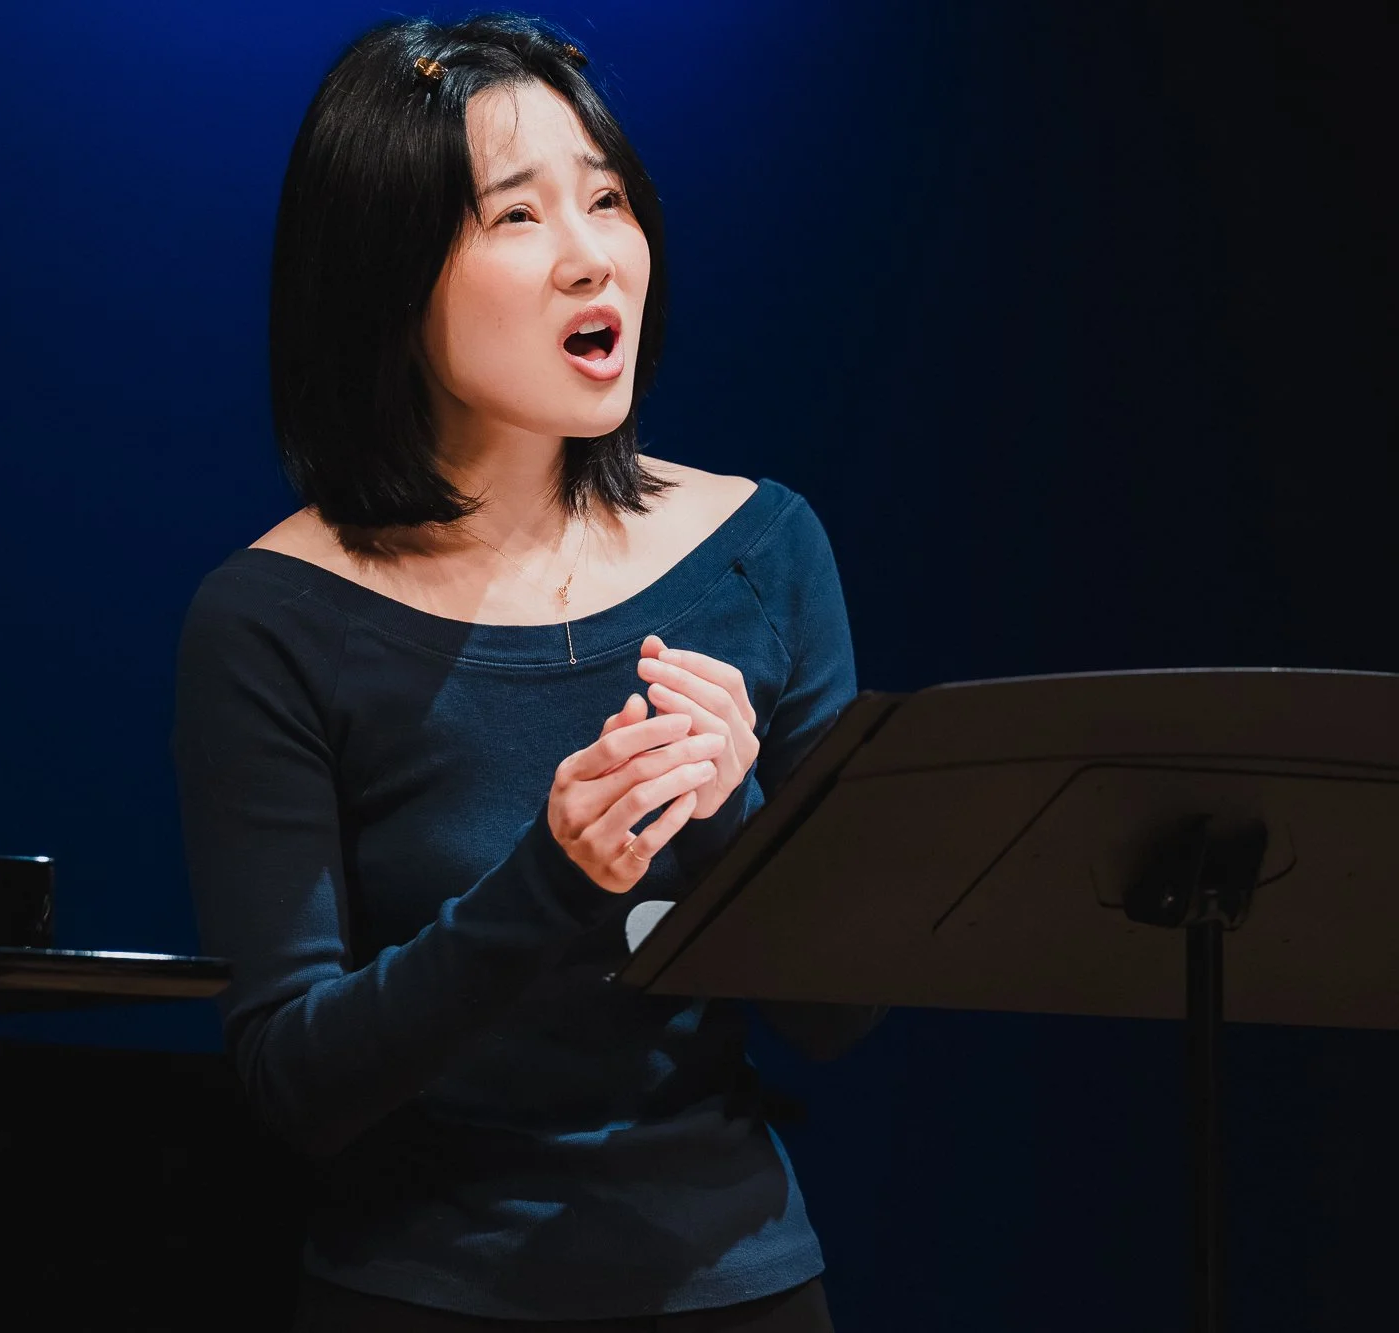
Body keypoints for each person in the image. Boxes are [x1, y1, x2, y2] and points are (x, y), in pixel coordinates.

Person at [171, 14, 879, 1330]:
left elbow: (840, 1018)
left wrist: (731, 824)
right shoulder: (270, 617)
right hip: (421, 1291)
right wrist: (555, 877)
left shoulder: (766, 547)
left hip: (742, 1287)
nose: (591, 256)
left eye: (607, 200)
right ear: (388, 273)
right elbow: (295, 1084)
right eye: (517, 217)